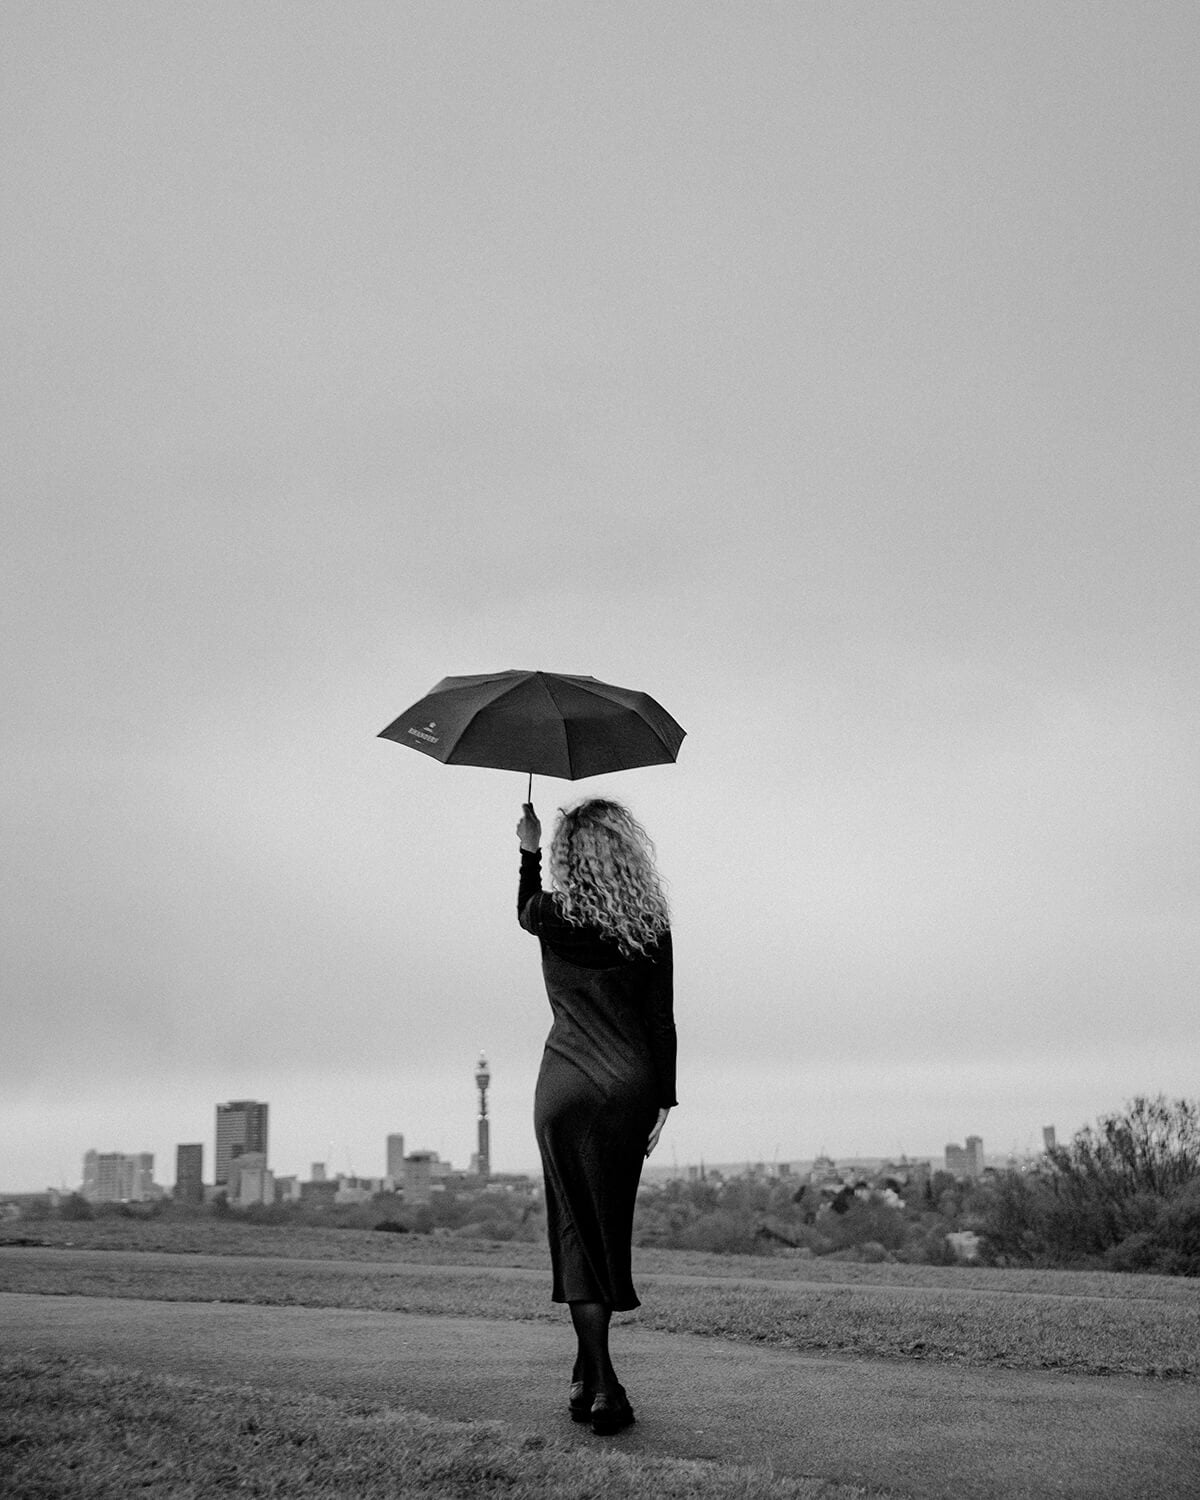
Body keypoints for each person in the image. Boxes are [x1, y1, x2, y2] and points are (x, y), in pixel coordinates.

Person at [516, 797, 677, 1437]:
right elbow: (661, 1019)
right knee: (605, 1229)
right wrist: (663, 1098)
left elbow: (523, 906)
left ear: (567, 857)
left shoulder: (551, 915)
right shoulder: (650, 920)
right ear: (626, 854)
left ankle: (600, 1382)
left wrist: (526, 847)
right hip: (629, 1084)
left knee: (576, 1232)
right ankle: (593, 1380)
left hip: (564, 1086)